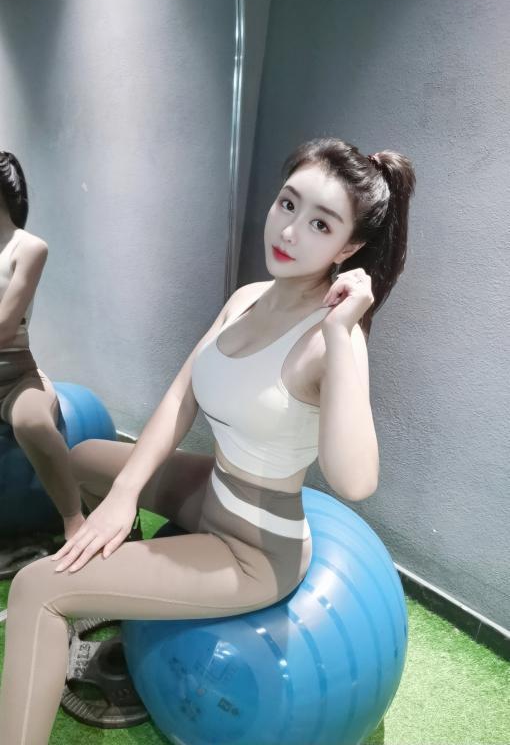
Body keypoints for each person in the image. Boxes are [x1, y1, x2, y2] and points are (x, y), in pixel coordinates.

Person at [0, 137, 416, 742]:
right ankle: (118, 585)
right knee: (85, 458)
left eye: (321, 224)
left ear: (348, 248)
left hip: (255, 548)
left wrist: (340, 329)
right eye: (288, 203)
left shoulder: (334, 339)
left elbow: (356, 481)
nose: (290, 230)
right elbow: (180, 397)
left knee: (38, 587)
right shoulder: (248, 297)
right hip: (212, 486)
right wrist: (123, 498)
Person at [0, 151, 85, 542]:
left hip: (16, 377)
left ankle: (74, 520)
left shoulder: (29, 248)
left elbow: (5, 328)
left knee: (31, 422)